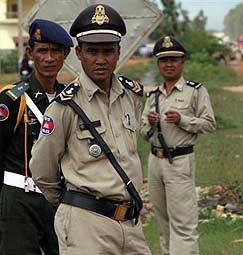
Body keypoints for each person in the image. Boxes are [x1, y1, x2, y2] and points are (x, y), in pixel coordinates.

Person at [29, 4, 151, 255]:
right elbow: (42, 170)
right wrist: (71, 207)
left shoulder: (132, 96)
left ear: (119, 52)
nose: (100, 59)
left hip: (130, 223)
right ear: (78, 53)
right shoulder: (65, 106)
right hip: (86, 225)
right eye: (92, 51)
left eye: (108, 51)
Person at [0, 19, 73, 255]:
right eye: (42, 51)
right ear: (31, 53)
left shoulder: (70, 100)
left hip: (58, 200)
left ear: (66, 54)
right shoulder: (12, 99)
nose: (49, 58)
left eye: (55, 51)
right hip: (19, 200)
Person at [140, 36, 216, 255]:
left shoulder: (195, 91)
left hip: (180, 161)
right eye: (164, 60)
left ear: (182, 62)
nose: (169, 64)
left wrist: (183, 120)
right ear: (158, 64)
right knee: (162, 223)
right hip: (155, 161)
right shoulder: (153, 95)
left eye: (174, 59)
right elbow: (143, 131)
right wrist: (151, 124)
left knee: (183, 224)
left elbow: (209, 124)